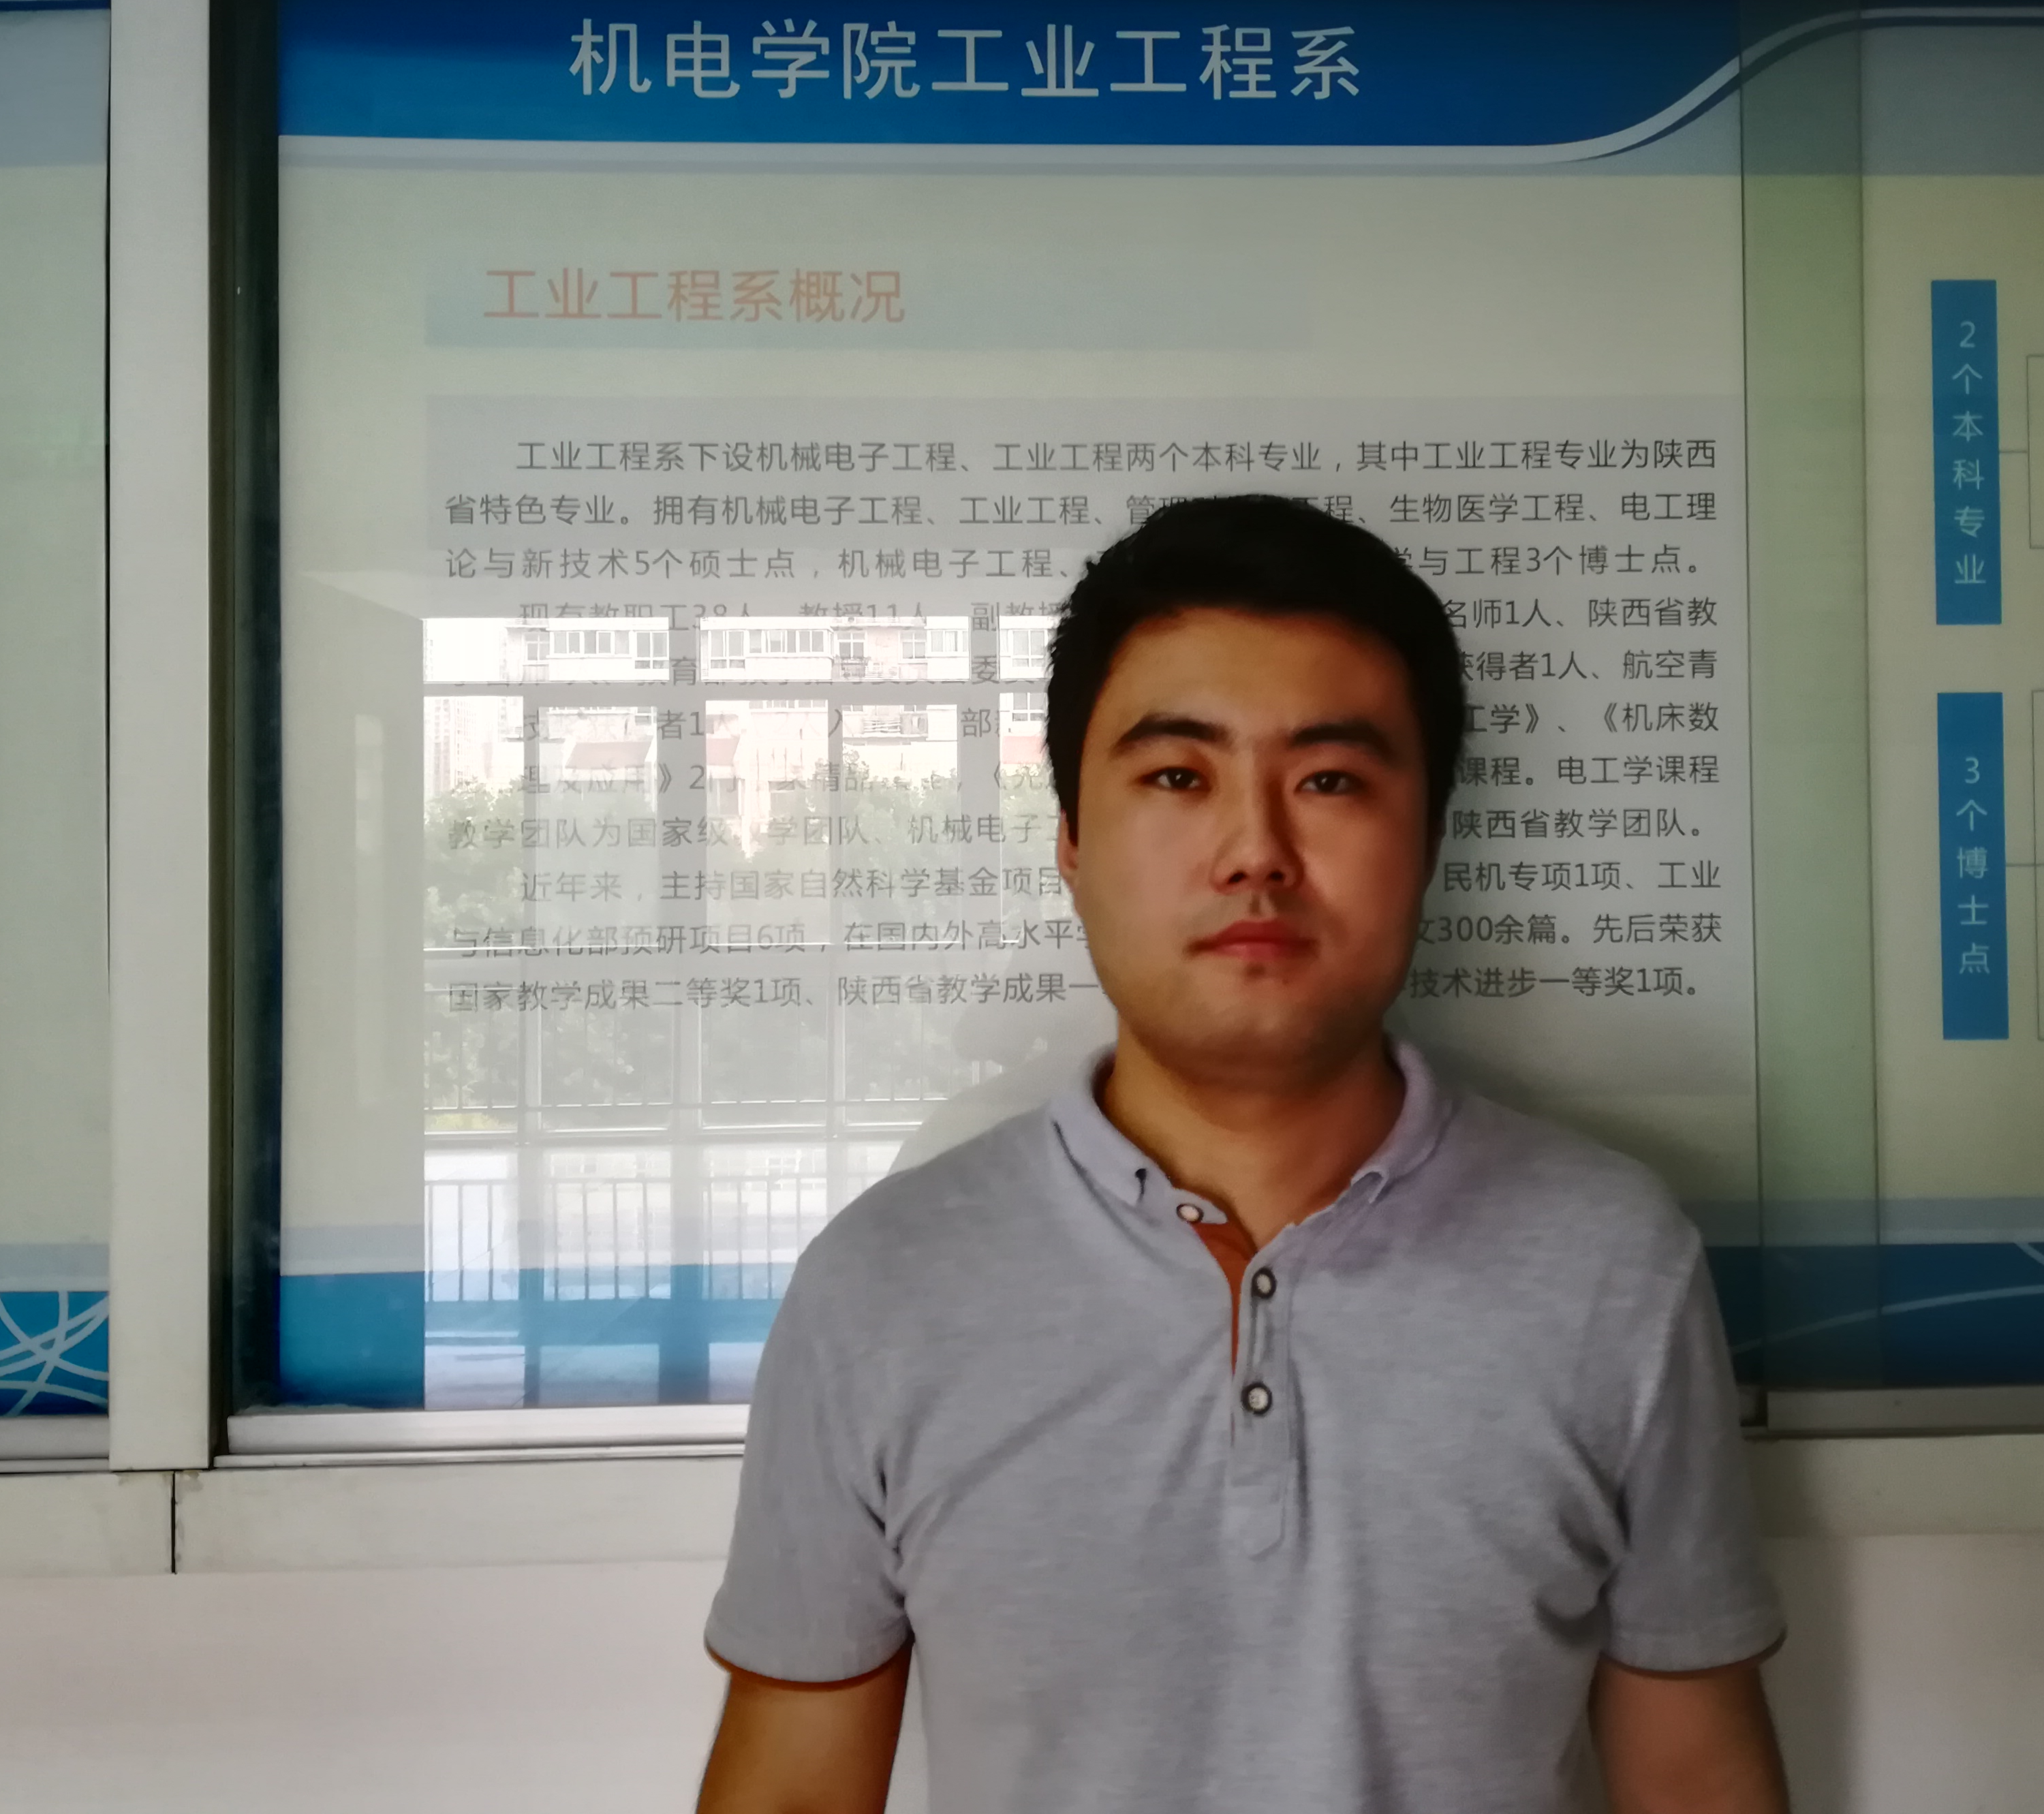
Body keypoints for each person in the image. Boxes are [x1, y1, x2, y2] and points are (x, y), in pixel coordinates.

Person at [699, 495, 1786, 1814]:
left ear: (1429, 841)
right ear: (1070, 840)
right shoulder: (882, 1287)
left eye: (1330, 781)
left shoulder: (1614, 1266)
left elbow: (1695, 1781)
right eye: (1177, 776)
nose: (1257, 853)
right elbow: (793, 1791)